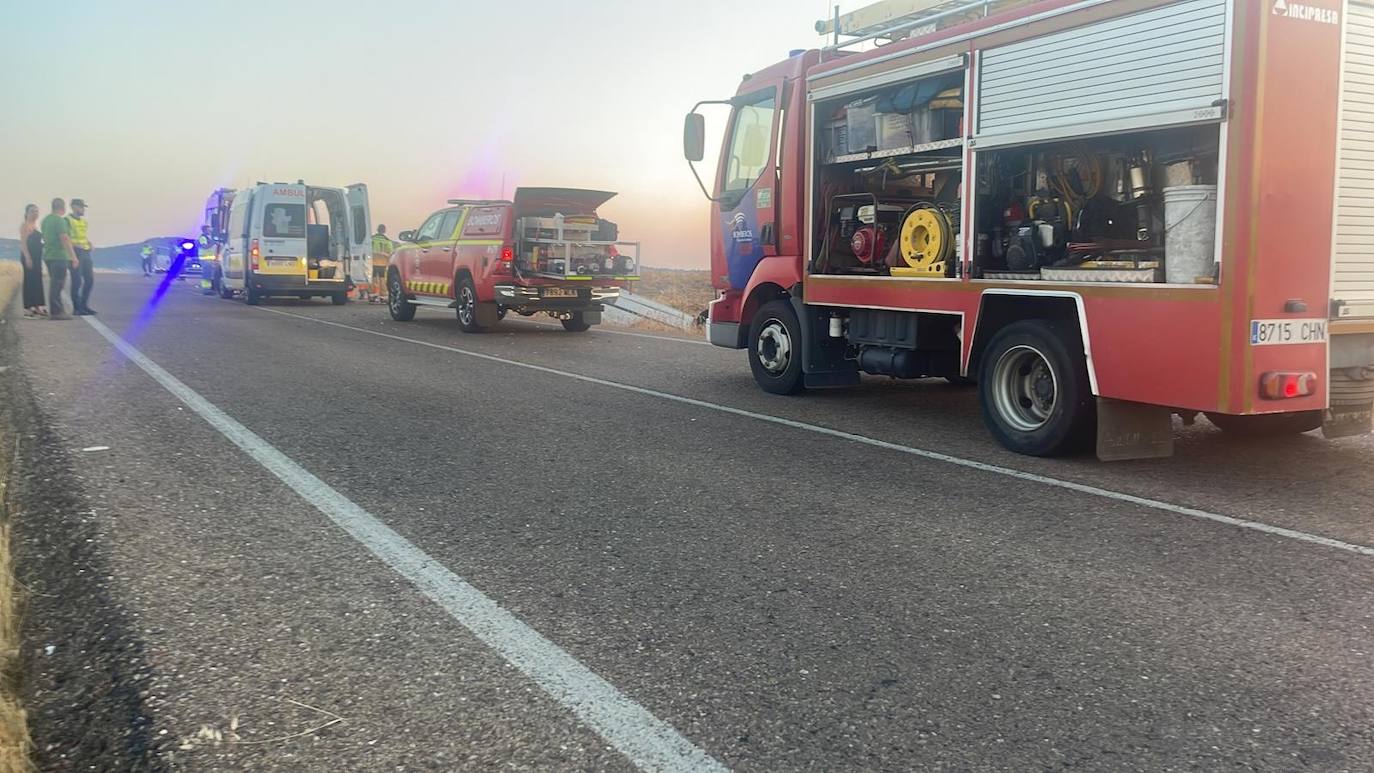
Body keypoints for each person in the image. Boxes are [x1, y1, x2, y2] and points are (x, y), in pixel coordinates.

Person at [41, 198, 78, 320]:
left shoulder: (45, 220)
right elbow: (64, 238)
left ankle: (59, 309)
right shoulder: (60, 221)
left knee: (55, 283)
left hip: (49, 255)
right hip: (59, 256)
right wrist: (73, 256)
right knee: (58, 284)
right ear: (63, 208)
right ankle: (56, 312)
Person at [66, 198, 95, 315]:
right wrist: (75, 246)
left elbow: (83, 236)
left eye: (83, 207)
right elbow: (65, 238)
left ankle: (84, 305)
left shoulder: (84, 222)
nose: (83, 209)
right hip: (75, 252)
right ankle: (76, 308)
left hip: (86, 252)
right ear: (73, 207)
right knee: (77, 281)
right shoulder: (67, 220)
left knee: (89, 280)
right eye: (81, 207)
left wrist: (89, 243)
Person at [19, 204, 46, 317]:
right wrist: (28, 258)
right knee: (29, 281)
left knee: (37, 281)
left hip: (37, 256)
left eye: (36, 211)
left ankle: (37, 306)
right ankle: (28, 308)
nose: (35, 213)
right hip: (28, 256)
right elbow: (23, 244)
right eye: (32, 211)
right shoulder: (25, 225)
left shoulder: (36, 225)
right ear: (27, 213)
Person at [369, 224, 394, 302]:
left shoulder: (371, 239)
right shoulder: (387, 241)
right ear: (384, 230)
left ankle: (372, 295)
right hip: (382, 263)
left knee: (372, 279)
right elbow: (390, 253)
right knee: (382, 280)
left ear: (377, 229)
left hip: (372, 262)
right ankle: (383, 296)